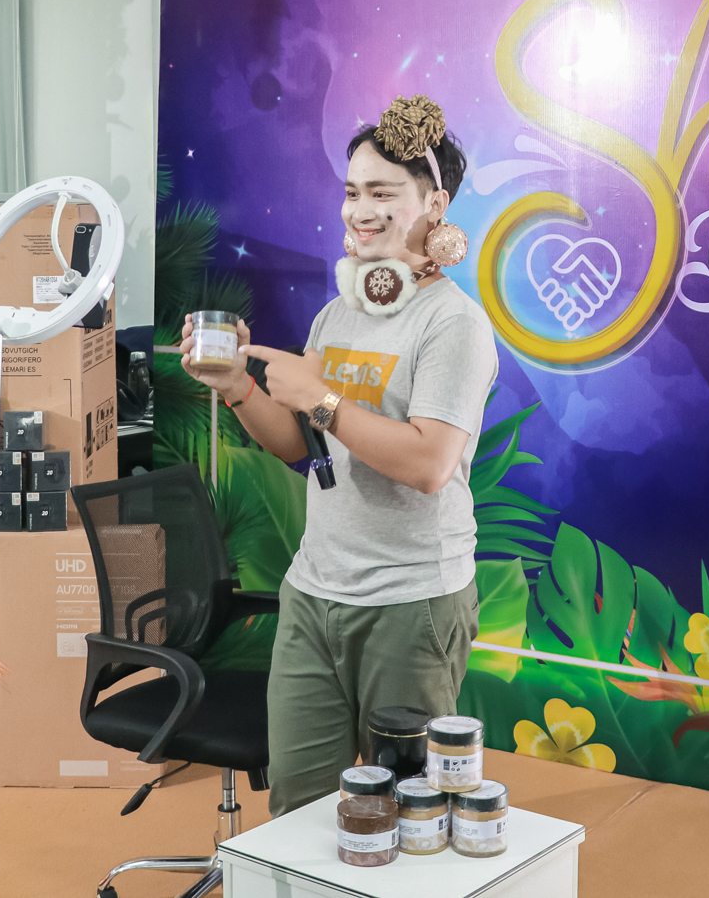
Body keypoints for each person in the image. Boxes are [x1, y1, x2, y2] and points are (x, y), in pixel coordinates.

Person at [180, 95, 499, 816]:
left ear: (434, 204)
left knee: (410, 811)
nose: (360, 210)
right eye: (353, 192)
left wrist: (323, 399)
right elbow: (303, 446)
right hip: (314, 593)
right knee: (296, 810)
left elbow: (429, 465)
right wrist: (238, 388)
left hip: (410, 603)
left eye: (383, 193)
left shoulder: (453, 324)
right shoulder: (338, 313)